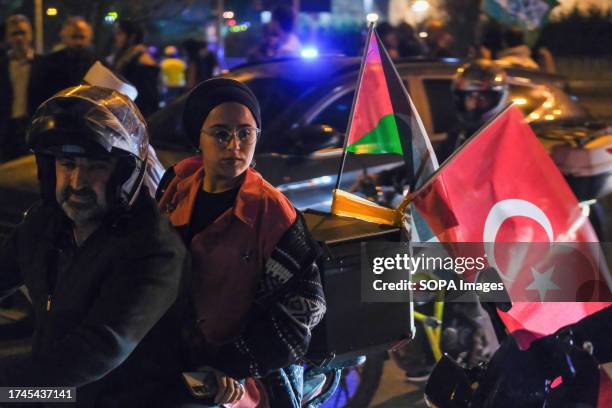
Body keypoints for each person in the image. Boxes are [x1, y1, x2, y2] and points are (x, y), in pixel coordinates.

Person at [0, 85, 187, 406]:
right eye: (67, 165)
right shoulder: (46, 224)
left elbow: (99, 349)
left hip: (128, 398)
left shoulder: (154, 249)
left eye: (96, 166)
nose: (77, 182)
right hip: (62, 394)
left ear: (124, 173)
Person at [158, 78, 326, 407]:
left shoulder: (272, 211)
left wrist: (232, 364)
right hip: (170, 362)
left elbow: (304, 306)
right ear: (198, 139)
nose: (234, 145)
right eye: (221, 133)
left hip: (238, 384)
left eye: (245, 133)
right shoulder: (177, 188)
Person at [436, 59, 508, 163]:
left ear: (497, 99)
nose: (473, 104)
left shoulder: (506, 137)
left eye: (482, 98)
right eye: (470, 96)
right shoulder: (460, 132)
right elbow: (440, 164)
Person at [29, 17, 96, 110]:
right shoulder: (49, 63)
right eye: (74, 37)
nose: (78, 42)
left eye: (82, 37)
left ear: (89, 38)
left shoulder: (97, 64)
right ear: (64, 37)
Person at [0, 15, 41, 161]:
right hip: (7, 129)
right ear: (7, 38)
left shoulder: (42, 64)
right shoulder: (3, 65)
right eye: (14, 33)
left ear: (30, 35)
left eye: (22, 33)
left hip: (33, 126)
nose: (19, 38)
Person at [109, 19, 159, 116]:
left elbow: (149, 97)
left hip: (135, 114)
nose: (115, 37)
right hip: (122, 110)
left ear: (132, 37)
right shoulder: (123, 56)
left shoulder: (142, 60)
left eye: (119, 34)